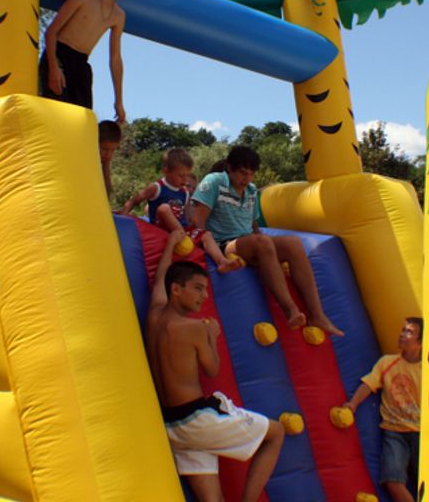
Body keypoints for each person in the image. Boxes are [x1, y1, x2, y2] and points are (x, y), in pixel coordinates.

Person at [147, 255, 284, 502]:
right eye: (198, 288)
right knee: (276, 432)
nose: (204, 296)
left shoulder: (154, 316)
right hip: (197, 420)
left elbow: (161, 279)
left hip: (173, 426)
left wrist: (170, 244)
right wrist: (212, 336)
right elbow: (212, 369)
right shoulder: (193, 328)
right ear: (176, 290)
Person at [190, 146, 343, 336]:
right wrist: (203, 247)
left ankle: (318, 315)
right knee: (261, 243)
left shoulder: (252, 191)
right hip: (224, 243)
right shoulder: (215, 181)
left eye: (251, 174)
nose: (246, 179)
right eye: (242, 173)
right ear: (229, 168)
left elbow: (253, 225)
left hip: (248, 241)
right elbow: (198, 221)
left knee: (293, 244)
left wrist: (268, 251)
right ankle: (291, 310)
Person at [39, 0, 140, 123]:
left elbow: (115, 58)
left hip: (82, 63)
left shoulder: (118, 15)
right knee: (54, 117)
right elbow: (51, 32)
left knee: (82, 122)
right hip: (60, 55)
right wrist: (53, 68)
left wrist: (119, 101)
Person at [120, 148, 241, 273]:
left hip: (182, 231)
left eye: (187, 175)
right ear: (166, 171)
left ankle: (222, 262)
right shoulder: (156, 187)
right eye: (181, 175)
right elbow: (135, 200)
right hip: (161, 229)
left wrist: (196, 229)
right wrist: (124, 213)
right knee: (164, 208)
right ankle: (181, 235)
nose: (185, 180)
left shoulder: (185, 193)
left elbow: (187, 217)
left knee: (206, 234)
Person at [344, 317, 423, 502]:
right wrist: (353, 404)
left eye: (409, 332)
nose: (402, 335)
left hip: (422, 431)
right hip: (394, 431)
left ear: (420, 343)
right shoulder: (388, 363)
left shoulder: (427, 369)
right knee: (392, 480)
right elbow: (369, 384)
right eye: (403, 330)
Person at [98, 120, 121, 201]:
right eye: (104, 149)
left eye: (113, 150)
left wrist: (106, 164)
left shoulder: (104, 161)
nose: (108, 154)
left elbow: (106, 196)